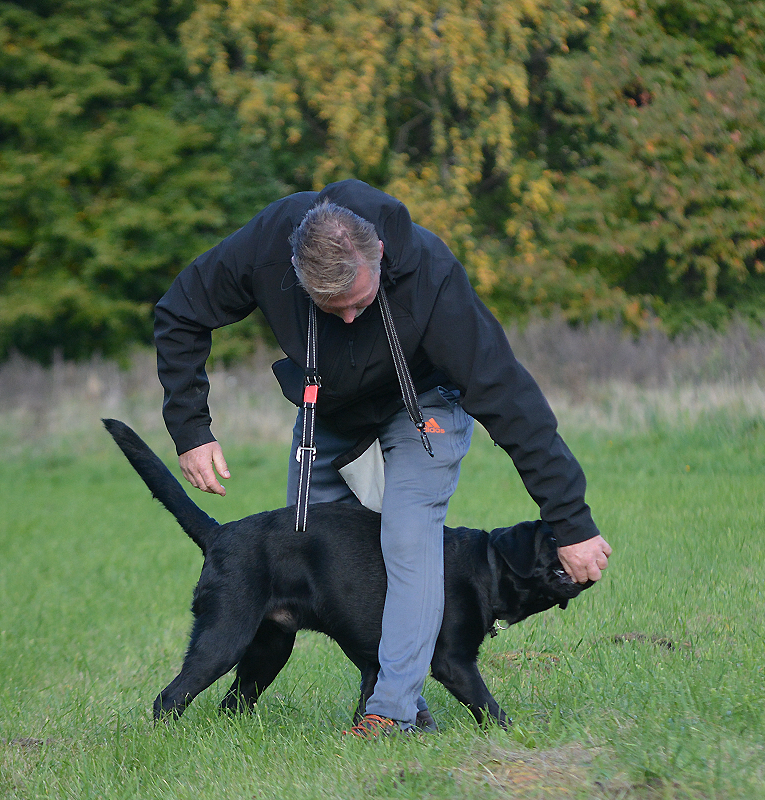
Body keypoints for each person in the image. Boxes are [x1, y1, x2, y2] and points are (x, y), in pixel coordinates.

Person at [154, 179, 611, 737]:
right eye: (331, 308)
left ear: (381, 256)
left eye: (360, 302)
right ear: (295, 273)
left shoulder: (430, 275)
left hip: (423, 407)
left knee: (408, 536)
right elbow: (179, 312)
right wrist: (190, 429)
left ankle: (391, 711)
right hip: (329, 410)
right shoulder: (264, 246)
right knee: (324, 556)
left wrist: (571, 522)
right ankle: (390, 688)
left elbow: (510, 399)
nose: (349, 319)